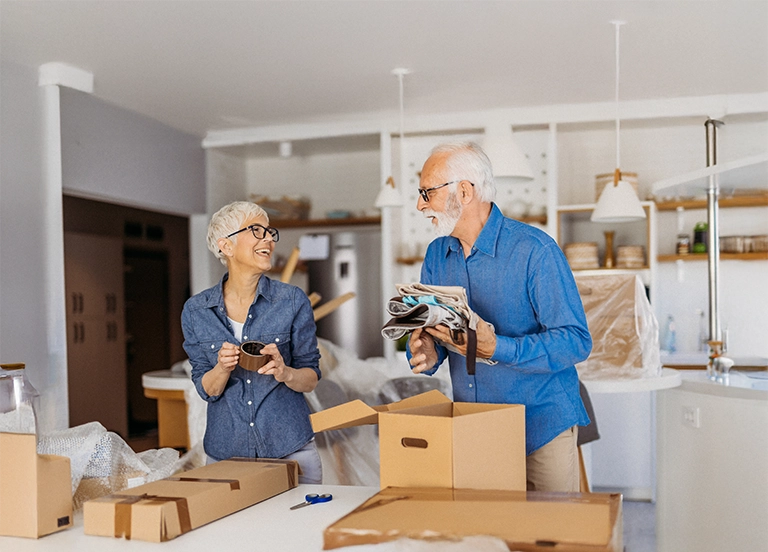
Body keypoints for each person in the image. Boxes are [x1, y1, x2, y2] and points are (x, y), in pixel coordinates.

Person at [407, 141, 592, 492]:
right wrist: (428, 351)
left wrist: (498, 348)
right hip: (477, 428)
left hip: (541, 426)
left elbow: (576, 341)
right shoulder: (436, 255)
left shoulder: (535, 250)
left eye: (426, 192)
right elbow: (436, 331)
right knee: (491, 537)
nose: (420, 204)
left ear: (463, 192)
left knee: (551, 537)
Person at [181, 201, 322, 483]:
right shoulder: (196, 311)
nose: (269, 238)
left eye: (270, 232)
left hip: (291, 450)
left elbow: (310, 378)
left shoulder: (292, 301)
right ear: (227, 246)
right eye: (257, 231)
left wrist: (286, 372)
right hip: (226, 455)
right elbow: (206, 390)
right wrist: (221, 368)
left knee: (298, 527)